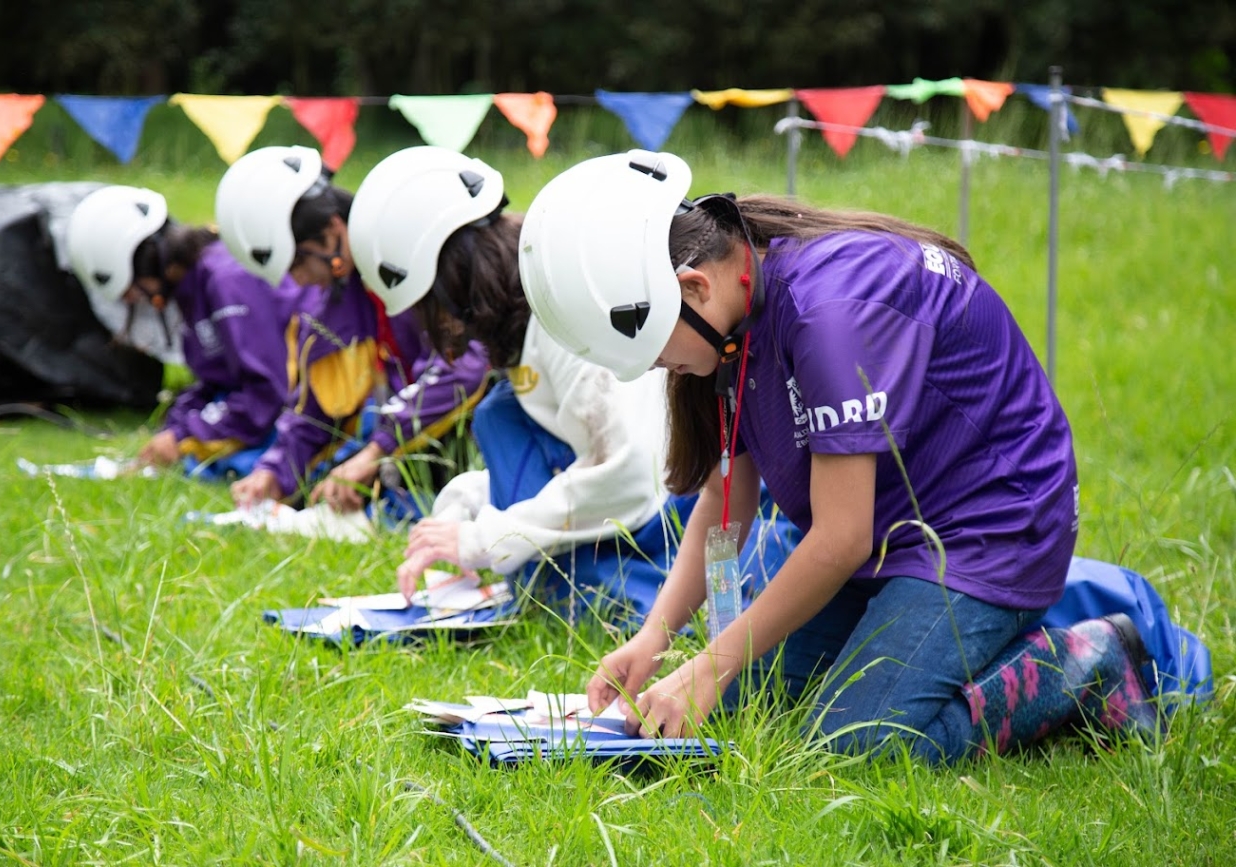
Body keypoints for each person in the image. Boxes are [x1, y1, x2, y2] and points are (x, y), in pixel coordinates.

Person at [517, 149, 1161, 764]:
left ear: (692, 287)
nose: (660, 368)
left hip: (990, 533)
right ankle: (933, 647)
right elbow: (722, 499)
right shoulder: (733, 319)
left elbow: (842, 537)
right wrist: (658, 637)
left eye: (657, 351)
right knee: (746, 696)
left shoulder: (829, 316)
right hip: (892, 538)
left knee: (855, 741)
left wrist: (711, 661)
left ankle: (1085, 665)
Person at [345, 145, 797, 627]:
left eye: (428, 309)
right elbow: (559, 456)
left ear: (450, 283)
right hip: (643, 507)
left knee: (558, 590)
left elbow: (626, 476)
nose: (436, 329)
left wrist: (486, 539)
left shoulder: (564, 317)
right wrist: (467, 506)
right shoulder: (519, 328)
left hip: (672, 509)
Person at [214, 145, 489, 521]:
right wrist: (273, 472)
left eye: (298, 261)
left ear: (333, 231)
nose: (296, 280)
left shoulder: (423, 268)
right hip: (409, 443)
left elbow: (464, 369)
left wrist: (376, 451)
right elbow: (312, 411)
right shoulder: (325, 308)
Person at [66, 184, 304, 478]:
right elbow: (216, 380)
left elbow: (267, 391)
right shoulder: (193, 287)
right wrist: (177, 429)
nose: (131, 302)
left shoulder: (226, 281)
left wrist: (186, 437)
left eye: (130, 293)